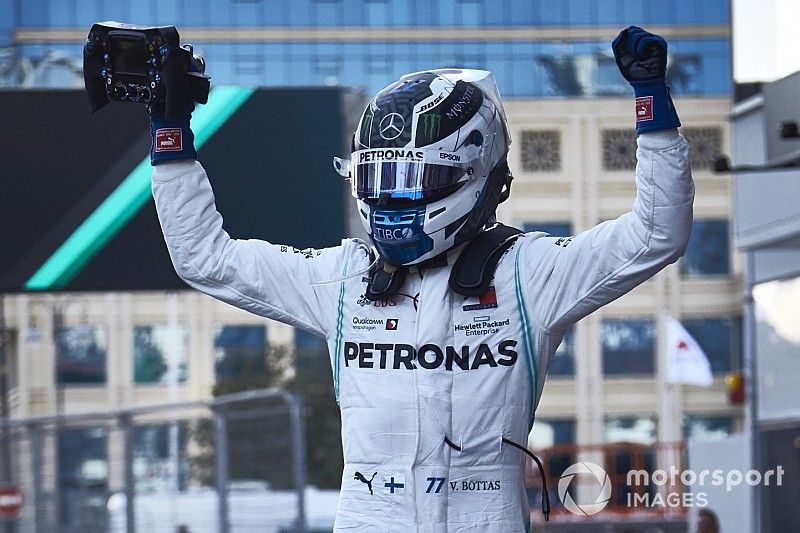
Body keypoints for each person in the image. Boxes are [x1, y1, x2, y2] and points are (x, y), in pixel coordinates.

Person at [148, 26, 693, 533]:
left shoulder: (529, 273)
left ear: (478, 175)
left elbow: (655, 235)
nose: (392, 197)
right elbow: (204, 259)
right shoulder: (345, 279)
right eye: (378, 178)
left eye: (413, 177)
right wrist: (171, 136)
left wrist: (653, 106)